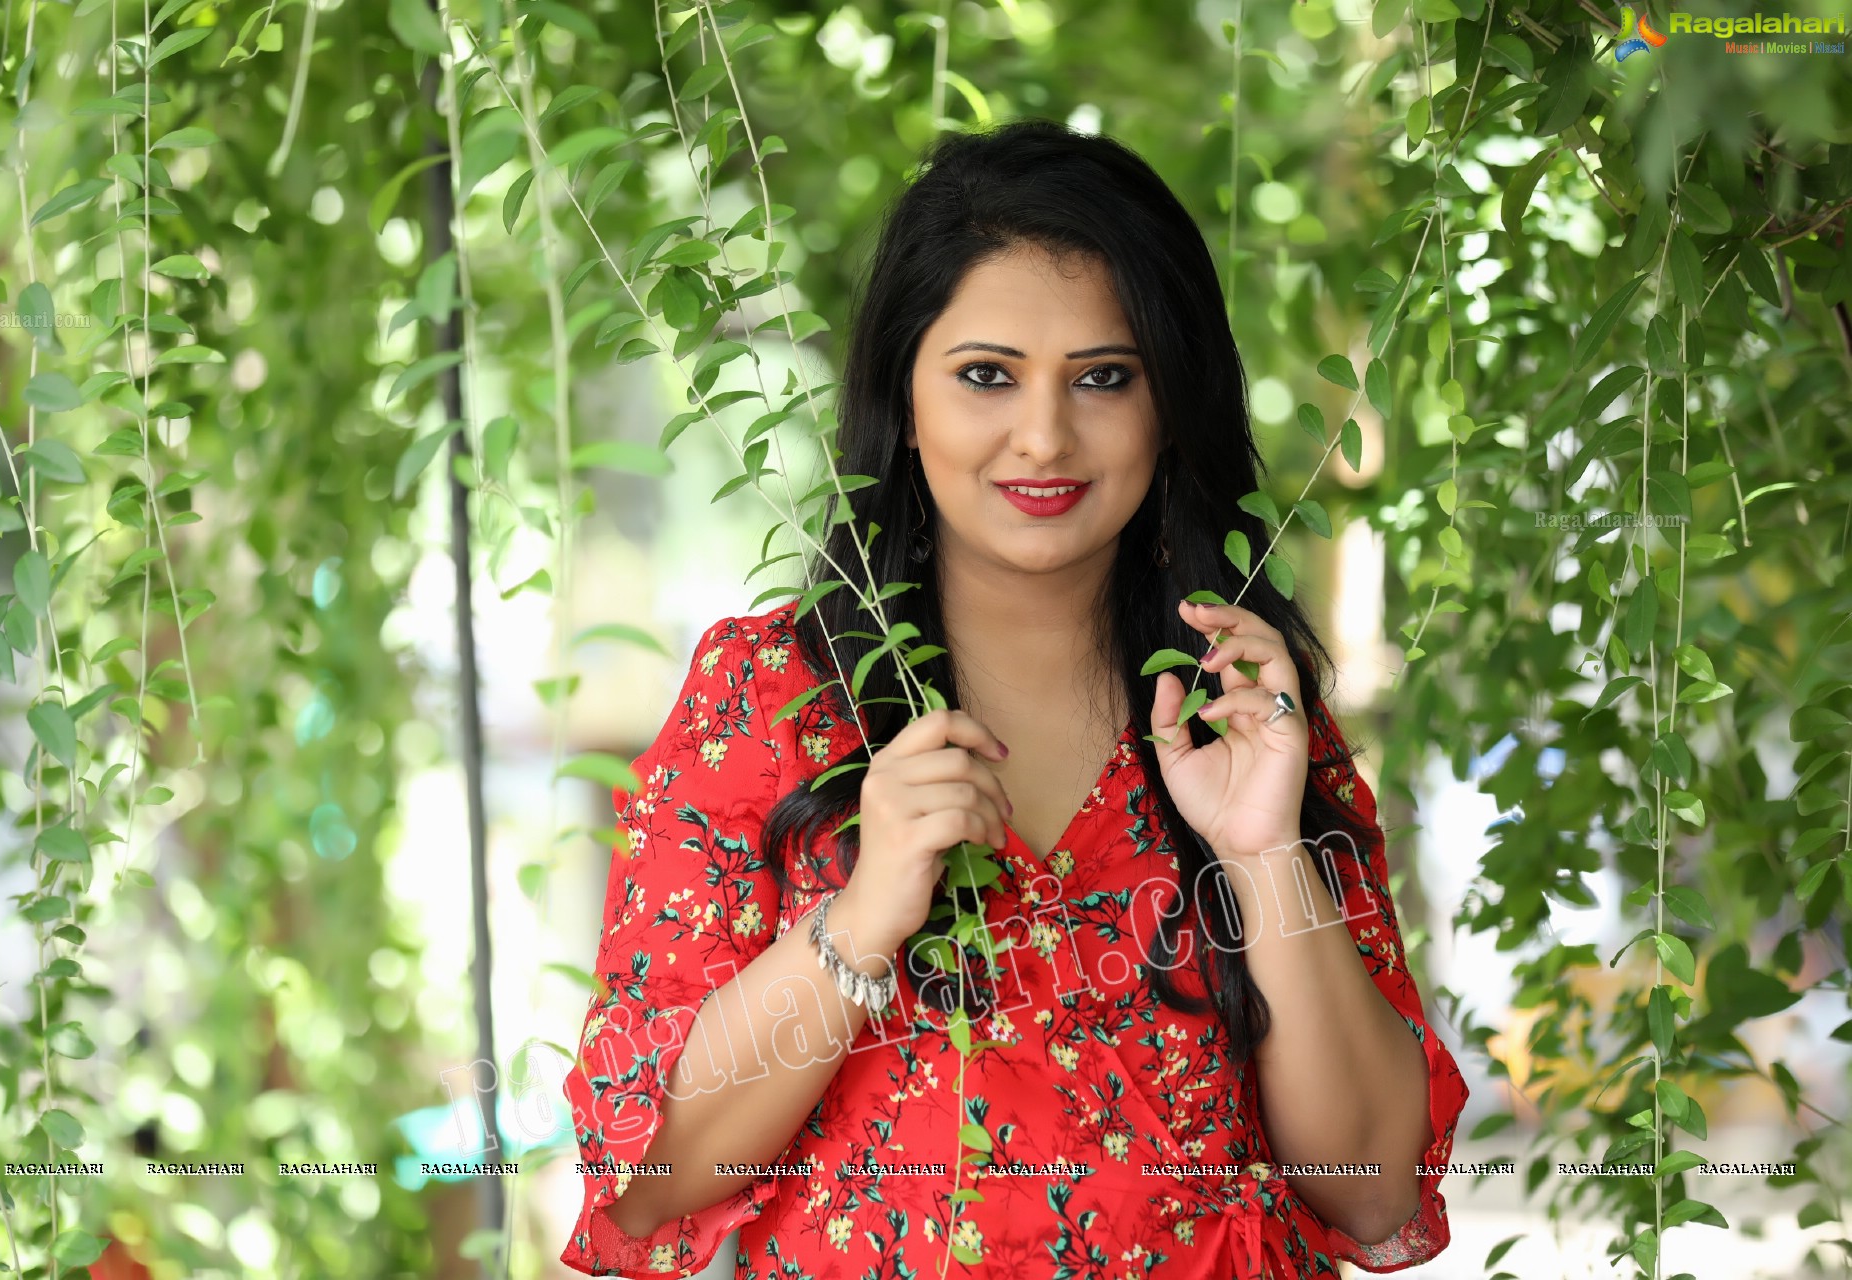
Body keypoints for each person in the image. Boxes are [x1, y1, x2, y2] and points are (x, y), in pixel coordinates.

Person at [559, 118, 1469, 1279]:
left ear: (1170, 401)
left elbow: (1373, 1189)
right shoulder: (777, 697)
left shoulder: (1245, 706)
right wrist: (859, 920)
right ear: (906, 387)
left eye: (1104, 377)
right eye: (987, 374)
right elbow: (647, 1180)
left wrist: (1264, 858)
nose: (1044, 435)